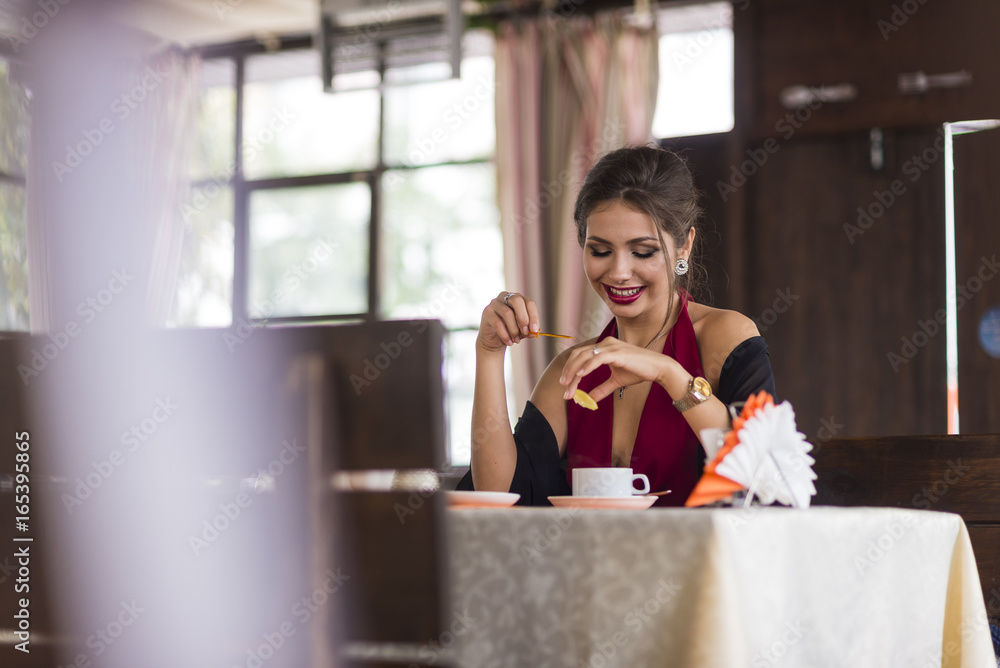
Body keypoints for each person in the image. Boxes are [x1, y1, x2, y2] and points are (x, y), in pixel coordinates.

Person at [461, 145, 775, 506]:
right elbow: (500, 495)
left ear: (684, 247)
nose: (619, 272)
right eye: (600, 251)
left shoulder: (725, 335)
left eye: (643, 252)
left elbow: (763, 475)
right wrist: (489, 353)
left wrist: (668, 373)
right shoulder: (571, 369)